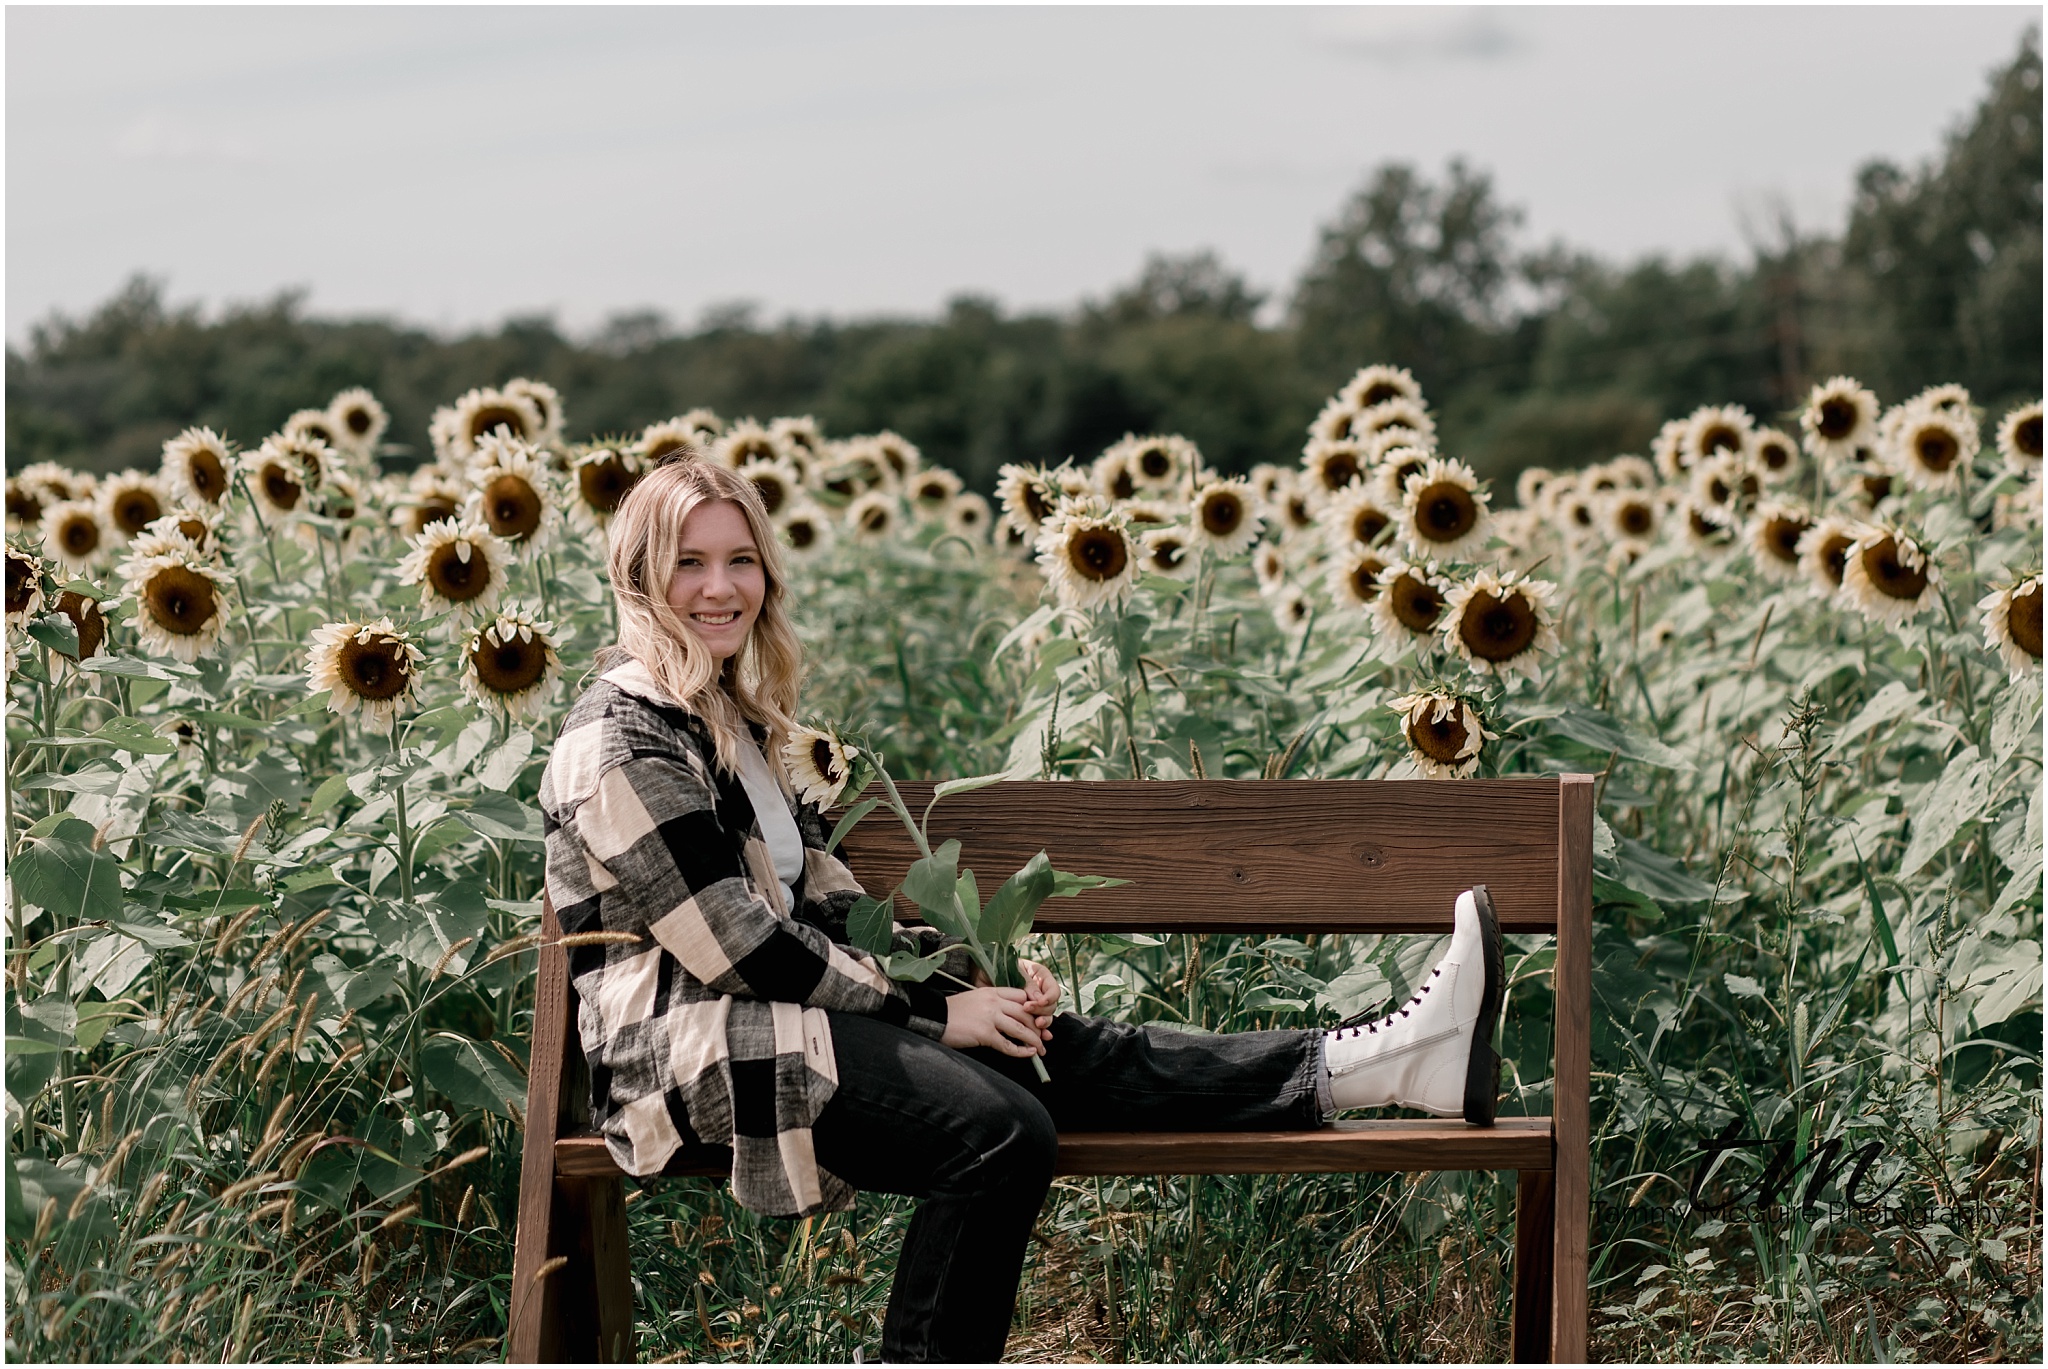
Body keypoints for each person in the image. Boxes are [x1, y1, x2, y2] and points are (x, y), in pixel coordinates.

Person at [538, 455, 1505, 1363]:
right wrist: (932, 1015)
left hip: (779, 1016)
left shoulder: (740, 725)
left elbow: (830, 906)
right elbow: (737, 946)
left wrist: (978, 981)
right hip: (693, 1048)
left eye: (740, 560)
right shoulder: (621, 737)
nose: (721, 588)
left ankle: (1378, 1062)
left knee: (1049, 1048)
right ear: (637, 580)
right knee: (999, 1131)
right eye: (690, 564)